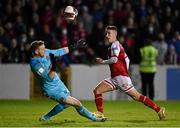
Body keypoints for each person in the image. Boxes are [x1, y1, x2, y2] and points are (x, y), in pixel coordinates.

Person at [93, 25, 165, 120]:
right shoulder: (115, 46)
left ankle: (159, 109)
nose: (107, 35)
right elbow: (127, 60)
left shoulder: (115, 45)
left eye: (109, 33)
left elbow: (114, 60)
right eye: (106, 33)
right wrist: (125, 72)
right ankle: (100, 115)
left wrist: (102, 61)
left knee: (137, 96)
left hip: (120, 78)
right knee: (97, 91)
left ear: (115, 34)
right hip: (115, 78)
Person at [30, 40, 106, 122]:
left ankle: (45, 118)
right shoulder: (36, 65)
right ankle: (94, 118)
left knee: (66, 104)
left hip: (58, 84)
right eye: (42, 49)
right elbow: (49, 78)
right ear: (36, 51)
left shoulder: (45, 52)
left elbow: (59, 52)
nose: (45, 50)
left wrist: (75, 46)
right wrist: (54, 64)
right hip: (51, 90)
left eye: (44, 48)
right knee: (76, 103)